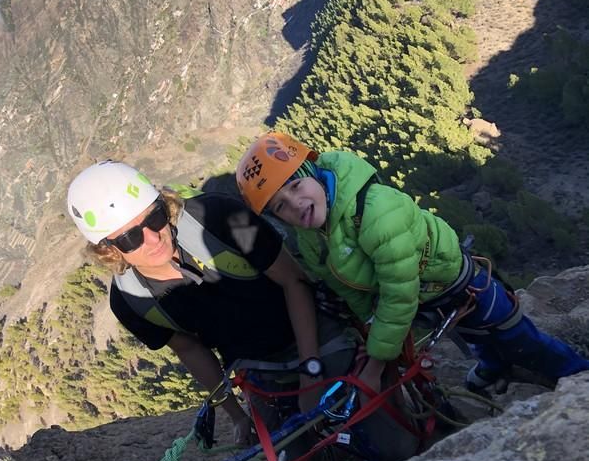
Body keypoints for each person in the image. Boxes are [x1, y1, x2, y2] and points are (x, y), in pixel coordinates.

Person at [67, 160, 412, 461]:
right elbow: (189, 349)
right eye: (130, 239)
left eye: (155, 218)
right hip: (258, 369)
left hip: (318, 334)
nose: (153, 238)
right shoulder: (130, 301)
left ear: (162, 206)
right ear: (108, 249)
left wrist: (311, 370)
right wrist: (235, 414)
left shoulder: (222, 218)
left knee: (394, 449)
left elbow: (294, 281)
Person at [235, 132, 589, 394]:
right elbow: (346, 286)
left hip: (456, 282)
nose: (295, 204)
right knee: (470, 334)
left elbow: (399, 293)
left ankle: (576, 374)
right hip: (428, 298)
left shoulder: (376, 210)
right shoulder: (312, 240)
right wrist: (371, 326)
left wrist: (376, 364)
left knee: (512, 332)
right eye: (280, 205)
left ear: (314, 171)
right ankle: (494, 365)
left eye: (296, 186)